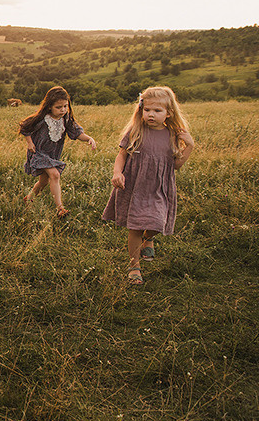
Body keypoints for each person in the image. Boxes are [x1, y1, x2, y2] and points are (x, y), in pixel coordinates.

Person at [102, 86, 194, 286]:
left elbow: (176, 165)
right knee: (134, 226)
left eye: (157, 111)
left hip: (159, 187)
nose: (151, 114)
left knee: (157, 222)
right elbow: (122, 155)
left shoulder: (172, 134)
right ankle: (134, 265)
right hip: (135, 186)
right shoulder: (136, 130)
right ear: (141, 110)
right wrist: (117, 173)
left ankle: (149, 238)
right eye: (147, 110)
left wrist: (189, 147)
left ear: (169, 113)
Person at [19, 86, 97, 218]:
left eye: (65, 106)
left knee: (44, 181)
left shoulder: (65, 119)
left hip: (52, 155)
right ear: (49, 106)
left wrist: (89, 138)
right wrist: (29, 142)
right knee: (54, 175)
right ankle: (60, 209)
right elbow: (25, 127)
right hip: (39, 153)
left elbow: (77, 133)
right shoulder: (42, 119)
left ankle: (29, 198)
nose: (63, 110)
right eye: (58, 107)